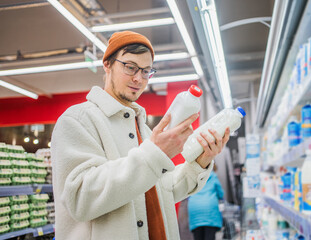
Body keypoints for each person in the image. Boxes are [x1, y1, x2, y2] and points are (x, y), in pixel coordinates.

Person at [51, 30, 231, 240]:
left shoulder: (143, 129)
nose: (138, 78)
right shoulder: (77, 120)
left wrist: (200, 162)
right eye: (130, 67)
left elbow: (165, 191)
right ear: (107, 64)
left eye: (146, 71)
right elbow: (80, 199)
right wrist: (154, 154)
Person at [187, 163, 225, 240]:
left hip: (195, 209)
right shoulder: (213, 176)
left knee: (198, 237)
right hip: (209, 211)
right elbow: (221, 193)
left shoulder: (193, 176)